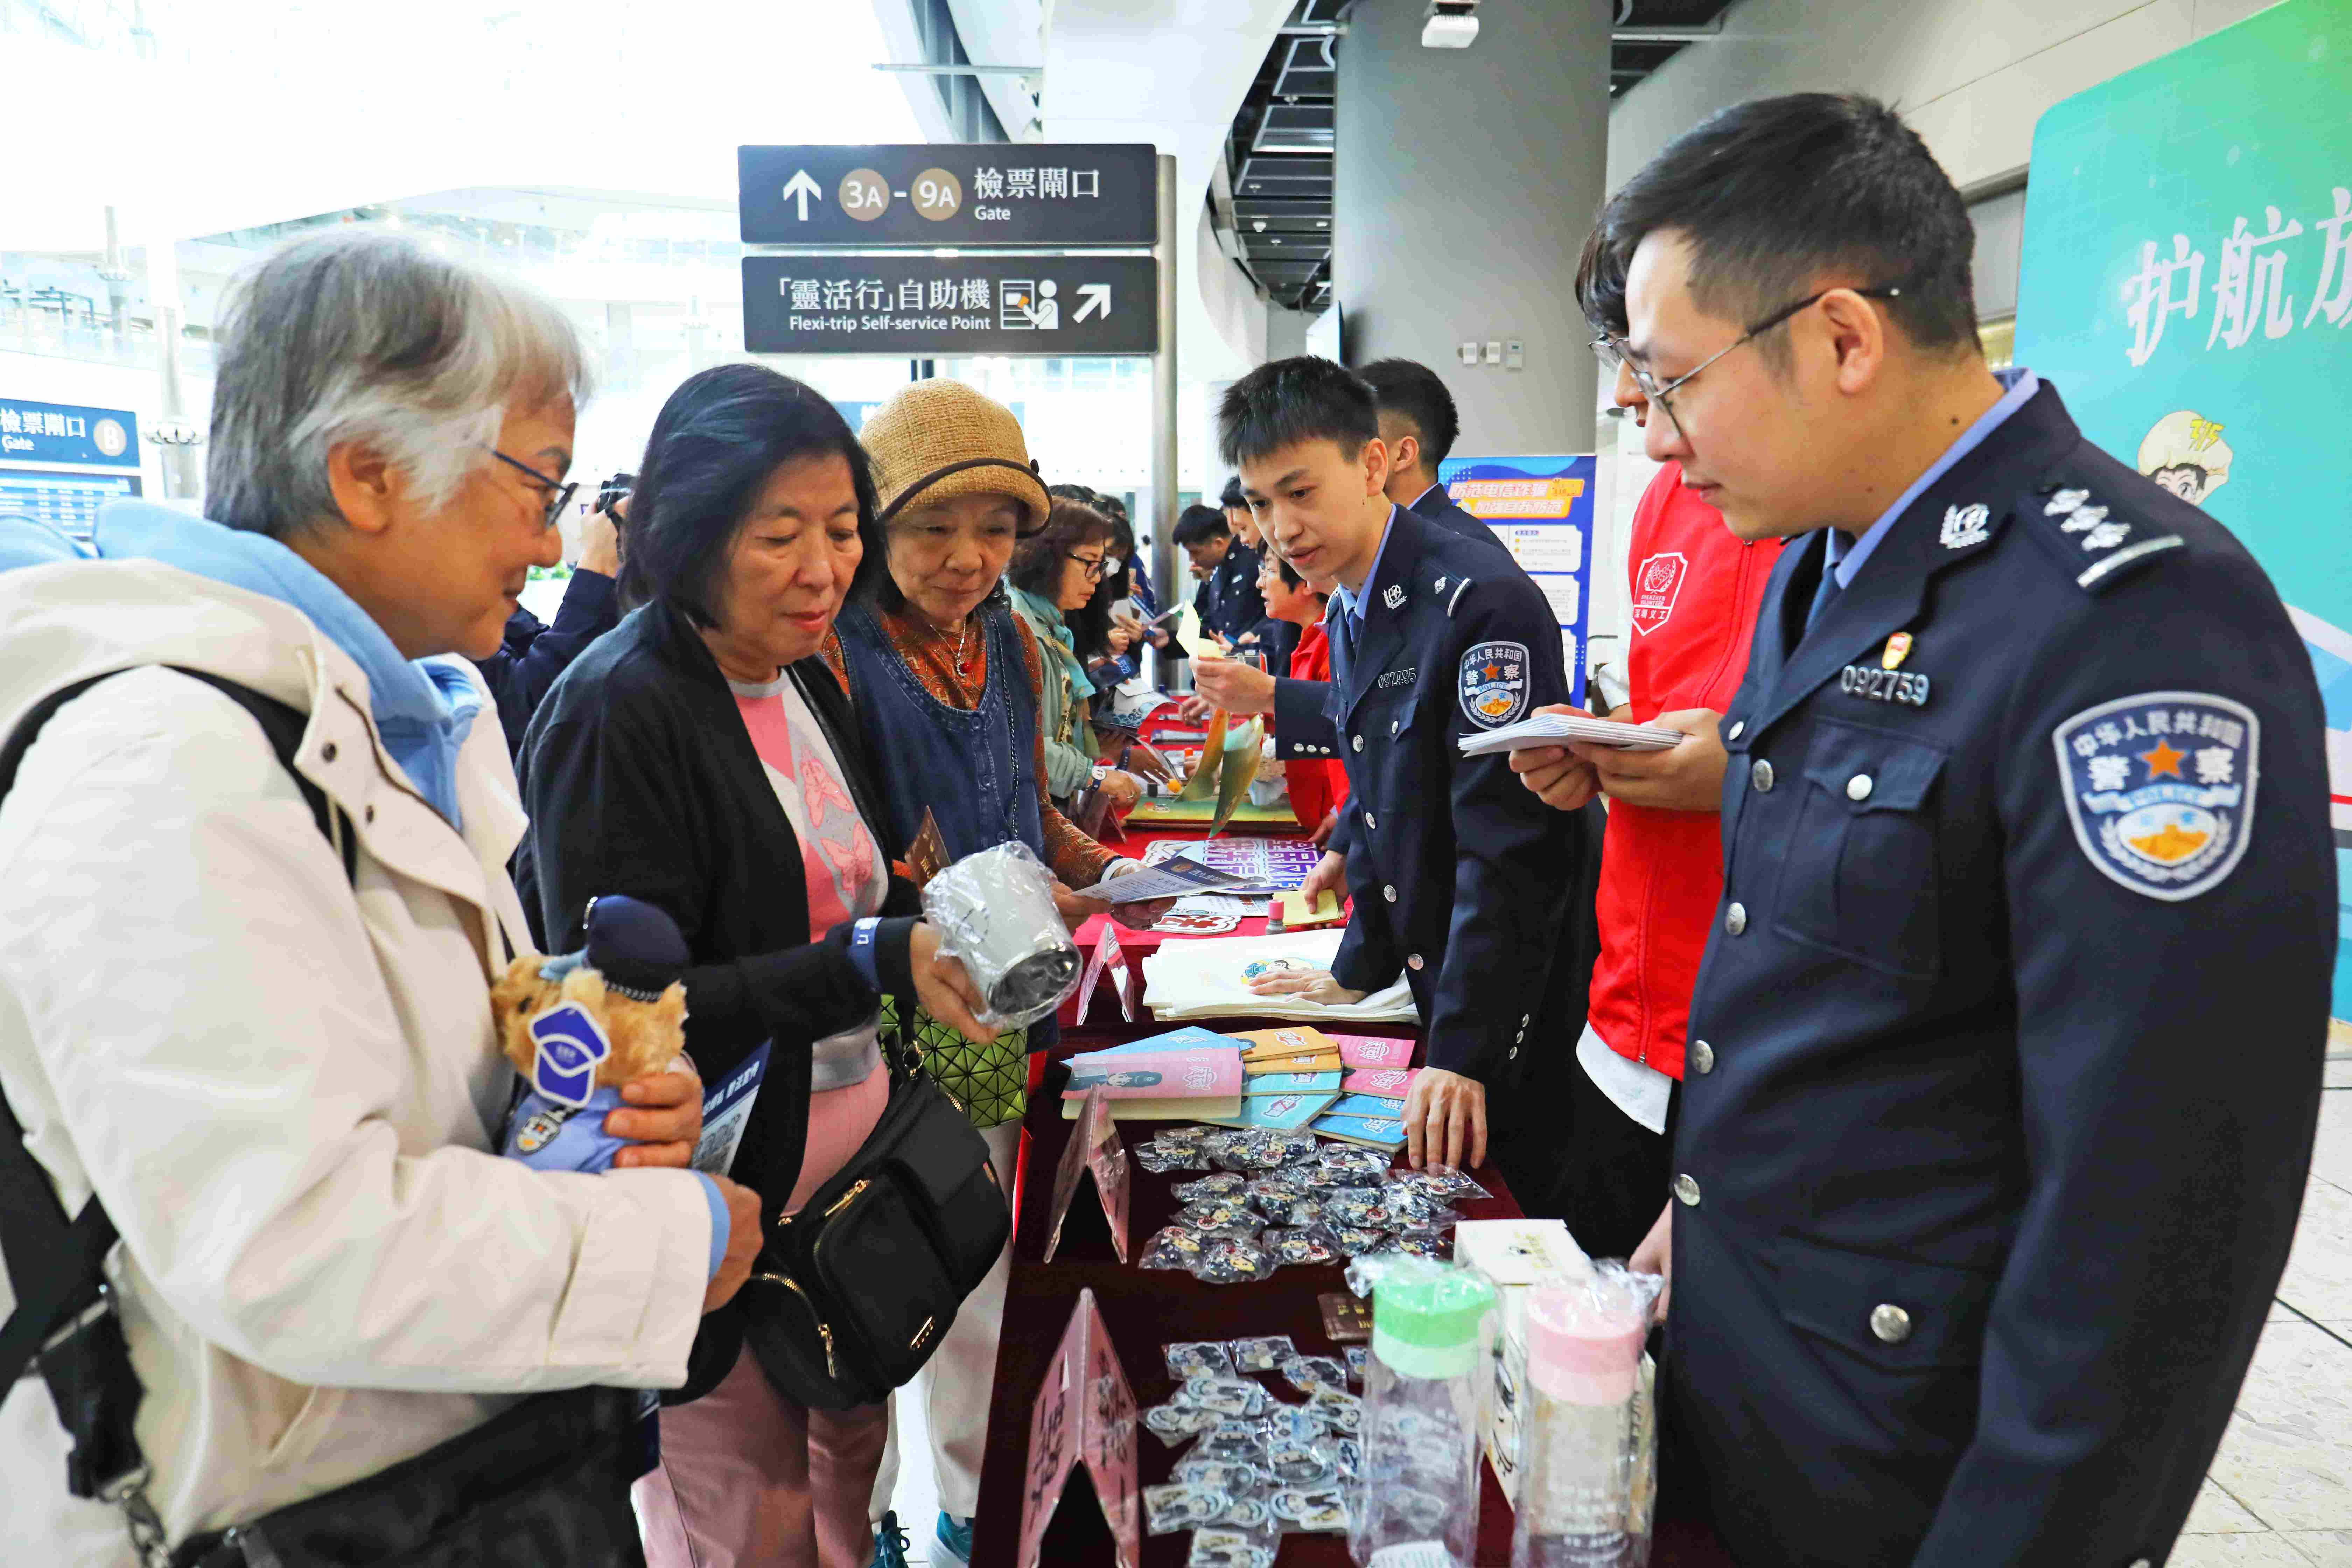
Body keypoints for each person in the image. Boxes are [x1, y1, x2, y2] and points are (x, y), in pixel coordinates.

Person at [1585, 93, 2332, 1567]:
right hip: (1760, 1368)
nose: (1657, 437)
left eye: (1672, 381)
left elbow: (2164, 1200)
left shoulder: (2131, 617)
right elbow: (1814, 973)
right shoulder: (1823, 567)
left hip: (1921, 1449)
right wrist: (1707, 1213)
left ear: (1841, 336)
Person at [0, 229, 760, 1567]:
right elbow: (289, 1238)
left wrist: (586, 1120)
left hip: (438, 1481)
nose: (552, 528)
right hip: (269, 1515)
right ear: (365, 474)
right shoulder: (163, 758)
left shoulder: (381, 720)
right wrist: (658, 1239)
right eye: (536, 476)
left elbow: (406, 1097)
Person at [516, 364, 999, 1568]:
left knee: (843, 1488)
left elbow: (858, 892)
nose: (822, 568)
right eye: (778, 535)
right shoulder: (618, 709)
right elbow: (625, 1014)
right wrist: (869, 962)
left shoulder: (800, 673)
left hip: (850, 1195)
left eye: (841, 531)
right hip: (721, 1210)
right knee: (749, 1525)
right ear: (688, 535)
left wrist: (907, 949)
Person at [826, 379, 1164, 1568]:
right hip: (876, 1014)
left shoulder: (1011, 635)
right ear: (873, 524)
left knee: (978, 1269)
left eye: (996, 529)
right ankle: (864, 1528)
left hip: (1003, 1005)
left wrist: (1115, 876)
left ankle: (975, 1503)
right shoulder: (835, 651)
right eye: (933, 528)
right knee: (864, 1280)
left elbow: (1026, 809)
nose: (969, 558)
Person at [1219, 356, 1605, 1199]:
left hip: (1513, 1007)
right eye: (1259, 502)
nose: (1281, 527)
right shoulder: (1356, 596)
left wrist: (1463, 1052)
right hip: (1430, 974)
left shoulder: (1476, 599)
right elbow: (1384, 792)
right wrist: (1355, 969)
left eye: (1300, 491)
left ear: (1371, 464)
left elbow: (1509, 849)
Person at [1506, 336, 1785, 1256]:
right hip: (1625, 1016)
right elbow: (1659, 700)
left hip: (1767, 1058)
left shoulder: (1863, 526)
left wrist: (1745, 771)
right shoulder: (1669, 494)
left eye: (1652, 358)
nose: (1627, 397)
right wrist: (1600, 751)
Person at [1004, 497, 1169, 827]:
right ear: (1048, 556)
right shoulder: (1018, 627)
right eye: (1091, 563)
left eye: (1103, 567)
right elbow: (1017, 745)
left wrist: (1106, 761)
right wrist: (1093, 775)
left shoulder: (1050, 623)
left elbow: (1063, 727)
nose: (1098, 579)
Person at [473, 471, 628, 757]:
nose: (552, 552)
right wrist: (595, 565)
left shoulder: (485, 600)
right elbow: (530, 705)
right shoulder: (432, 624)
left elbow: (549, 646)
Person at [1356, 358, 1505, 550]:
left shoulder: (1459, 551)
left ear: (1402, 454)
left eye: (1354, 439)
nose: (1342, 454)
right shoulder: (1381, 538)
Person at [1256, 546, 1345, 839]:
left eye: (1269, 570)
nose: (1260, 582)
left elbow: (1338, 734)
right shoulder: (1308, 640)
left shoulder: (1333, 646)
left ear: (1306, 580)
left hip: (1339, 825)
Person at [1172, 501, 1245, 645]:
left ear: (1218, 544)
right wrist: (1169, 639)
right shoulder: (1218, 568)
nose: (1192, 560)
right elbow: (1209, 627)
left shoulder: (1250, 562)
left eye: (1195, 552)